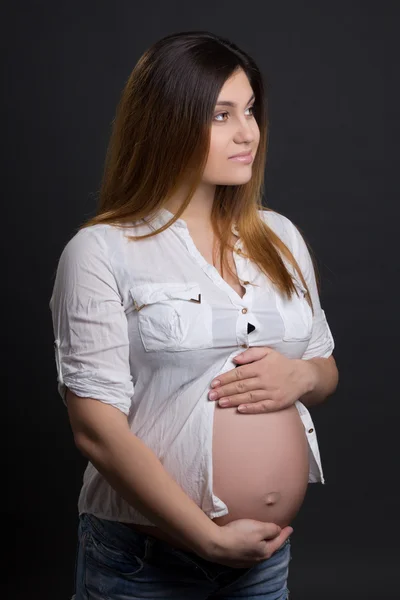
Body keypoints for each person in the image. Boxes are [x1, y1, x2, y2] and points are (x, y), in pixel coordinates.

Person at [49, 30, 339, 600]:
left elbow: (325, 367)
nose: (246, 132)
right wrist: (206, 537)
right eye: (221, 114)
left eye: (251, 110)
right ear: (167, 122)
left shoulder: (280, 238)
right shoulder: (102, 250)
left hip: (263, 562)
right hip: (141, 564)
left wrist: (302, 375)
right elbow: (96, 431)